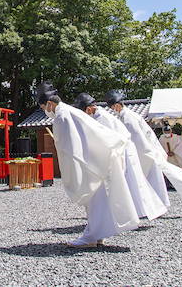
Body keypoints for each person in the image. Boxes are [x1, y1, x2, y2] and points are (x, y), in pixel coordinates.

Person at [38, 83, 139, 248]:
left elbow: (69, 147)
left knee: (93, 199)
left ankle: (91, 237)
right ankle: (97, 234)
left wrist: (74, 170)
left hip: (89, 161)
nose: (45, 110)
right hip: (97, 157)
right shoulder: (69, 112)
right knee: (98, 200)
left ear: (50, 104)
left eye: (44, 107)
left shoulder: (63, 116)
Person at [73, 93, 167, 221]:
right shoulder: (102, 116)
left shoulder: (105, 118)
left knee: (130, 184)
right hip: (123, 150)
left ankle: (131, 214)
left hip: (124, 152)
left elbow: (111, 138)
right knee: (133, 184)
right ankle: (133, 213)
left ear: (89, 109)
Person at [105, 90, 182, 206]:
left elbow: (137, 139)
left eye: (113, 107)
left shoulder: (128, 118)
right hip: (147, 151)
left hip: (144, 153)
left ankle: (154, 206)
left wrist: (140, 155)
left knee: (150, 182)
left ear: (117, 105)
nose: (114, 110)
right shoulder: (128, 116)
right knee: (154, 181)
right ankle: (155, 205)